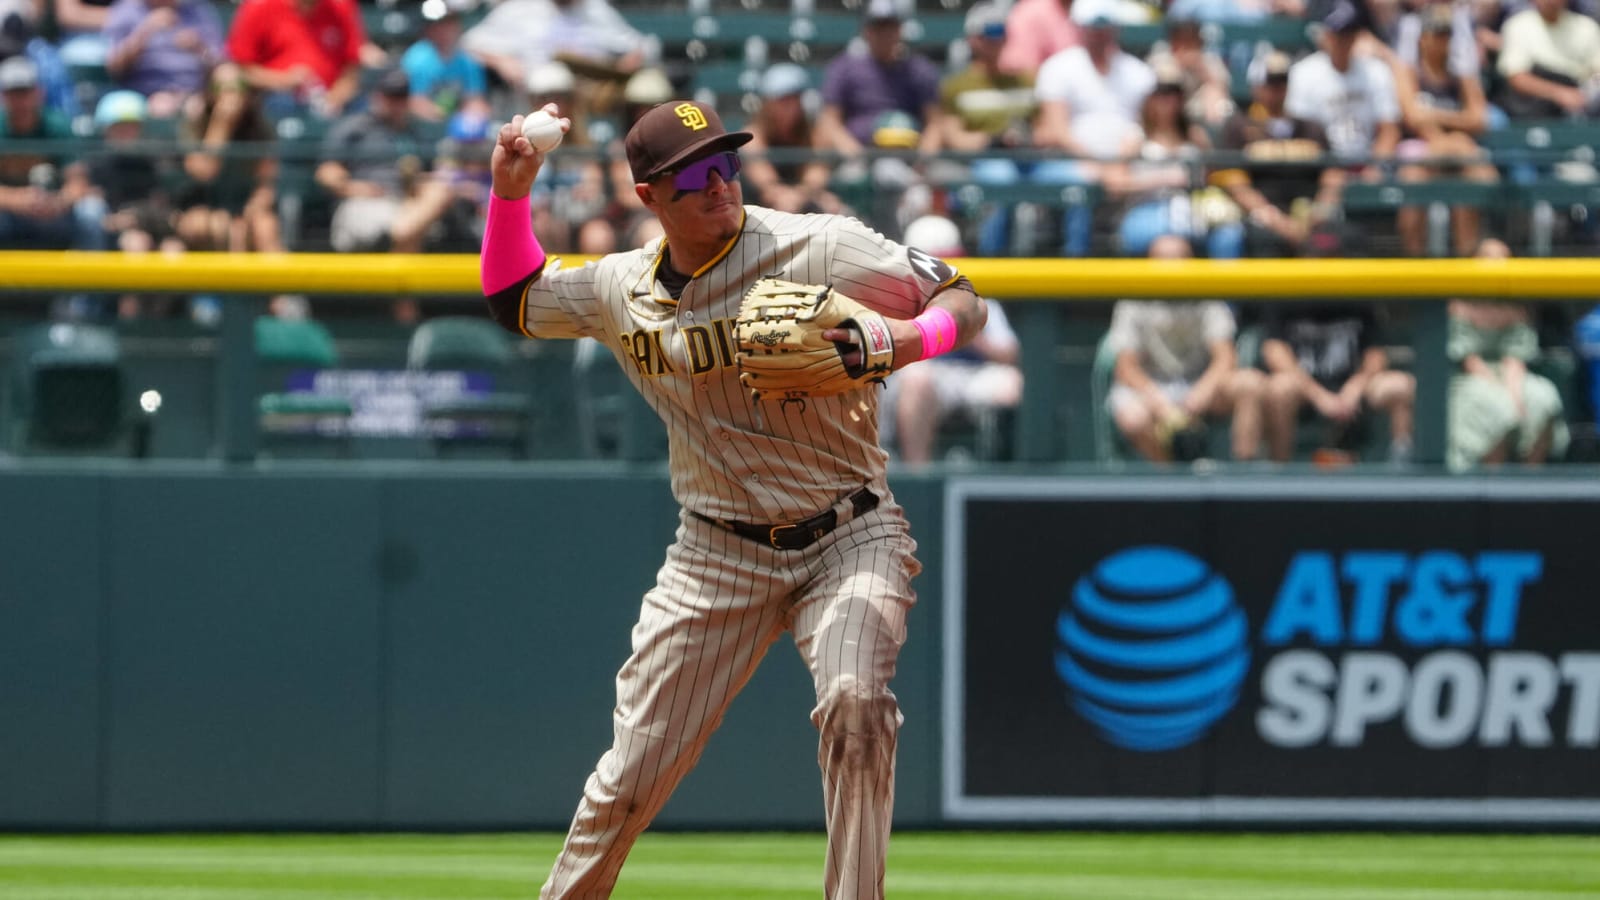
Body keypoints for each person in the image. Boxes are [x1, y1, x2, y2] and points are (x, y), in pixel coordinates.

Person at [481, 97, 989, 899]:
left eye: (727, 165)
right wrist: (510, 193)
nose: (720, 185)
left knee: (857, 703)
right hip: (714, 553)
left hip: (849, 532)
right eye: (694, 177)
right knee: (630, 777)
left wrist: (900, 340)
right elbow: (514, 298)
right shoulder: (620, 286)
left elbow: (964, 297)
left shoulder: (813, 243)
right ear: (649, 197)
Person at [1259, 226, 1417, 464]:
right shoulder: (1286, 291)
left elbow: (1376, 354)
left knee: (1400, 385)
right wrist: (1318, 395)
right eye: (1315, 257)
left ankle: (1402, 469)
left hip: (1352, 387)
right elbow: (1274, 352)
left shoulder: (1357, 292)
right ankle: (1279, 473)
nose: (1321, 263)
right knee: (1279, 388)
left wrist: (1355, 387)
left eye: (1328, 258)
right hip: (1305, 387)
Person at [1105, 234, 1264, 462]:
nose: (1172, 264)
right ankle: (1172, 479)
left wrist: (1201, 393)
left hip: (1199, 384)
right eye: (1164, 258)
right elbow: (1126, 368)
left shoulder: (1207, 295)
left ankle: (1244, 476)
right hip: (1153, 386)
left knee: (1250, 383)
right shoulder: (1133, 299)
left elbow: (1225, 358)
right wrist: (1160, 403)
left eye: (1180, 257)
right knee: (1133, 418)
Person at [886, 214, 1022, 466]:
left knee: (1013, 385)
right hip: (920, 374)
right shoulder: (895, 293)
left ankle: (1005, 478)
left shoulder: (968, 289)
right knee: (917, 380)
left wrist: (967, 332)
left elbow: (1009, 353)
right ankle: (917, 474)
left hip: (970, 373)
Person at [1447, 238, 1569, 470]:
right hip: (1469, 378)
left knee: (1543, 397)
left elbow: (1514, 361)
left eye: (1504, 258)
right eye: (1491, 257)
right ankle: (1492, 487)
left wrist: (1514, 394)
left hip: (1508, 374)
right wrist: (1505, 397)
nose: (1498, 263)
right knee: (1498, 408)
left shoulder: (1515, 303)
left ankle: (1531, 479)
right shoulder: (1457, 302)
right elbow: (1470, 361)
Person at [1211, 50, 1339, 258]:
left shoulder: (1311, 128)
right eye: (1270, 83)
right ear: (1255, 86)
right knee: (1263, 243)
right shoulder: (1239, 127)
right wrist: (1279, 223)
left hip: (1309, 217)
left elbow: (1333, 175)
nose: (1277, 89)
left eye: (1282, 82)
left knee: (1340, 240)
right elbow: (1236, 184)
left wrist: (1320, 211)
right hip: (1262, 218)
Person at [1393, 2, 1497, 258]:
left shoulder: (1459, 73)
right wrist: (1452, 135)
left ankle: (1466, 262)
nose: (1442, 40)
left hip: (1456, 155)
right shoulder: (1409, 70)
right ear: (1422, 38)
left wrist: (1440, 120)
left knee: (1478, 177)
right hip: (1419, 151)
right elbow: (1413, 116)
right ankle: (1415, 269)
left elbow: (1480, 118)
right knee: (1412, 180)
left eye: (1447, 34)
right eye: (1436, 33)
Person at [225, 0, 366, 118]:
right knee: (281, 103)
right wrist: (285, 79)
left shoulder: (341, 6)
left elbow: (351, 70)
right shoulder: (260, 5)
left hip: (331, 98)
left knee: (366, 109)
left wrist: (334, 98)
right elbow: (240, 69)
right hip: (276, 96)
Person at [102, 0, 224, 119]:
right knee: (162, 107)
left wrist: (198, 47)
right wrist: (146, 31)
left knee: (200, 108)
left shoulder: (198, 11)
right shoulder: (127, 10)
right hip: (145, 92)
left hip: (195, 92)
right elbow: (115, 66)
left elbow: (219, 62)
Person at [400, 0, 490, 123]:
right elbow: (413, 102)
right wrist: (446, 117)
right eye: (437, 24)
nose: (444, 30)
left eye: (448, 23)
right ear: (427, 28)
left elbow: (475, 99)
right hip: (422, 127)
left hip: (458, 128)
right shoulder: (415, 59)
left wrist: (475, 115)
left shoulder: (468, 59)